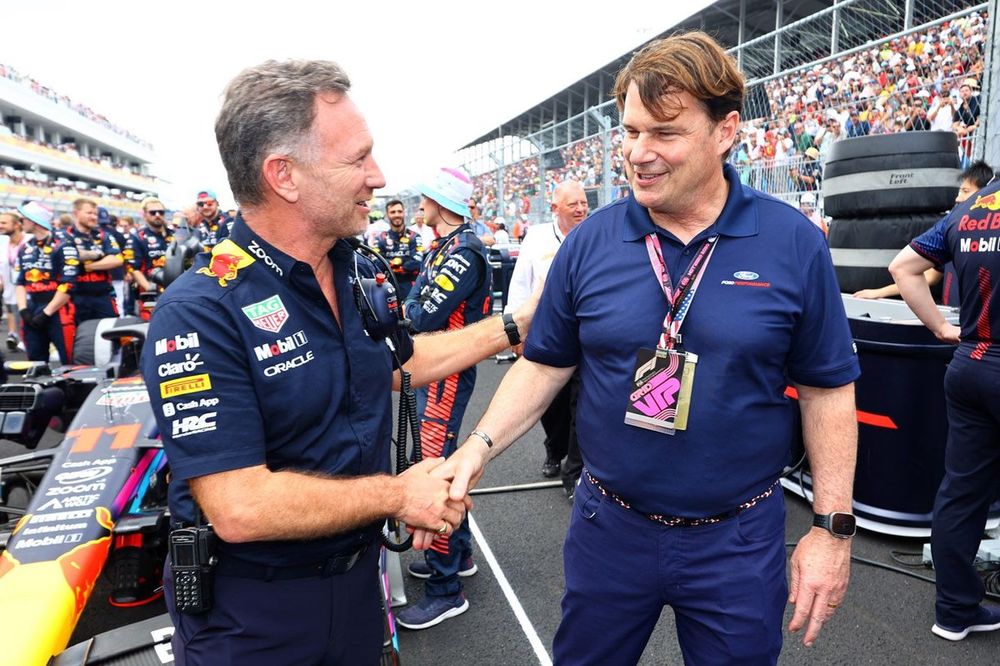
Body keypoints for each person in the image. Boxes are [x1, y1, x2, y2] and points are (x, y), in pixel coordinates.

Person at [421, 32, 860, 664]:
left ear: (725, 130)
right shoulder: (589, 243)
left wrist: (832, 530)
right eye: (629, 132)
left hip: (737, 539)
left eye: (665, 133)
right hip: (611, 526)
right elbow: (545, 363)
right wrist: (478, 448)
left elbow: (827, 389)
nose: (638, 154)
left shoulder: (792, 243)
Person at [141, 59, 531, 666]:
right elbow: (240, 506)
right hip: (254, 616)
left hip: (356, 586)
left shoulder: (355, 268)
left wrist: (515, 324)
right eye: (357, 159)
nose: (377, 177)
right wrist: (397, 497)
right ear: (284, 176)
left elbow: (397, 362)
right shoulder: (199, 311)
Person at [889, 170, 1000, 643]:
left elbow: (902, 268)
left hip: (969, 363)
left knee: (962, 492)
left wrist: (939, 327)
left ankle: (955, 611)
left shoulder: (971, 208)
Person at [395, 167, 492, 631]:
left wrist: (404, 306)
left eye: (424, 198)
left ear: (439, 201)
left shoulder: (464, 250)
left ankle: (445, 589)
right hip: (436, 369)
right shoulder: (448, 246)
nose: (419, 205)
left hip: (446, 371)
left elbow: (420, 312)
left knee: (435, 472)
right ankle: (462, 555)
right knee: (442, 460)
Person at [505, 180, 587, 497]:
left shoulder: (593, 232)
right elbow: (520, 283)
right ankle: (555, 448)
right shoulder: (537, 238)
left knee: (582, 402)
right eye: (573, 205)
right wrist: (514, 330)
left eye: (583, 203)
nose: (580, 209)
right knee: (551, 404)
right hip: (548, 332)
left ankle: (574, 471)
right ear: (555, 209)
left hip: (584, 333)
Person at [854, 160, 993, 304]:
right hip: (953, 319)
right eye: (960, 191)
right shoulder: (951, 231)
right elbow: (928, 276)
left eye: (966, 191)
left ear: (987, 193)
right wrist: (878, 292)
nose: (958, 198)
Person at [14, 201, 79, 364]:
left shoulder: (63, 244)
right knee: (35, 362)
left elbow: (68, 284)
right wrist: (23, 311)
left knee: (69, 360)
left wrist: (46, 313)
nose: (21, 224)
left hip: (59, 309)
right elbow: (20, 282)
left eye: (23, 220)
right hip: (32, 308)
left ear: (33, 221)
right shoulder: (25, 248)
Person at [63, 198, 122, 325]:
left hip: (103, 295)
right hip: (74, 296)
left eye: (95, 214)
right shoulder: (64, 236)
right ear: (76, 213)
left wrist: (90, 266)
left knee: (111, 335)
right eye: (89, 213)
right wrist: (99, 255)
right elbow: (68, 259)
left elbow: (117, 259)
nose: (94, 217)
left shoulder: (103, 236)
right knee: (78, 338)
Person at [124, 197, 174, 309]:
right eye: (153, 212)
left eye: (161, 212)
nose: (157, 215)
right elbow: (133, 269)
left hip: (174, 289)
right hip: (151, 293)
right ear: (145, 215)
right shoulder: (137, 237)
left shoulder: (174, 235)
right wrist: (150, 289)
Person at [374, 198, 422, 300]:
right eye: (393, 212)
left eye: (399, 211)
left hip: (410, 288)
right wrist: (403, 262)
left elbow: (417, 262)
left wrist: (392, 265)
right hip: (386, 287)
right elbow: (376, 262)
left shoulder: (415, 236)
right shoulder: (380, 238)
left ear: (404, 213)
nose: (397, 214)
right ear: (387, 215)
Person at [0, 209, 28, 349]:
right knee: (11, 309)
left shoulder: (30, 241)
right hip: (9, 288)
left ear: (16, 225)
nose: (0, 226)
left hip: (30, 290)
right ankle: (14, 334)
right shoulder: (2, 243)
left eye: (4, 223)